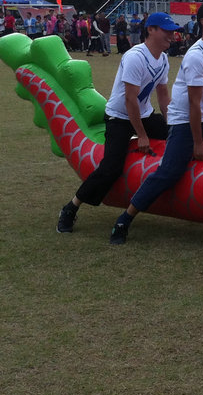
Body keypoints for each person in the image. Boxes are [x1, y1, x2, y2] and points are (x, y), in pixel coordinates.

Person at [109, 1, 203, 245]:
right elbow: (193, 105)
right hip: (185, 122)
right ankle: (125, 219)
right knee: (170, 172)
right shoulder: (195, 56)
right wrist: (197, 143)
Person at [56, 13, 177, 233]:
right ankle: (71, 208)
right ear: (151, 30)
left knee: (178, 142)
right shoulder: (135, 57)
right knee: (110, 168)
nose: (172, 34)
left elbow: (163, 96)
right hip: (119, 118)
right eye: (166, 30)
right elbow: (130, 100)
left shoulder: (163, 59)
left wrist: (172, 128)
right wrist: (141, 135)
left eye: (172, 30)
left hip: (145, 114)